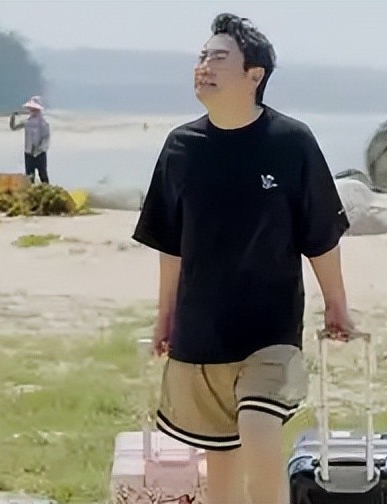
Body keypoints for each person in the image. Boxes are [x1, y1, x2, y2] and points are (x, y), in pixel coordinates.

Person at [131, 13, 353, 504]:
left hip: (270, 333)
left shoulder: (291, 142)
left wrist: (337, 305)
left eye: (218, 57)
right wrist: (165, 317)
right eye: (202, 56)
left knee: (258, 425)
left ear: (255, 75)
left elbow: (320, 234)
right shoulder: (181, 148)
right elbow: (171, 244)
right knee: (222, 469)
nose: (204, 66)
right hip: (201, 334)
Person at [9, 95, 51, 184]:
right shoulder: (27, 122)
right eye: (31, 109)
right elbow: (13, 127)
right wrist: (13, 117)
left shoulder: (44, 123)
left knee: (43, 174)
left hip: (40, 153)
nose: (32, 111)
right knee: (29, 176)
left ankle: (47, 189)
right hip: (28, 153)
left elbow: (46, 138)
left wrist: (38, 149)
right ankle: (30, 190)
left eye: (34, 109)